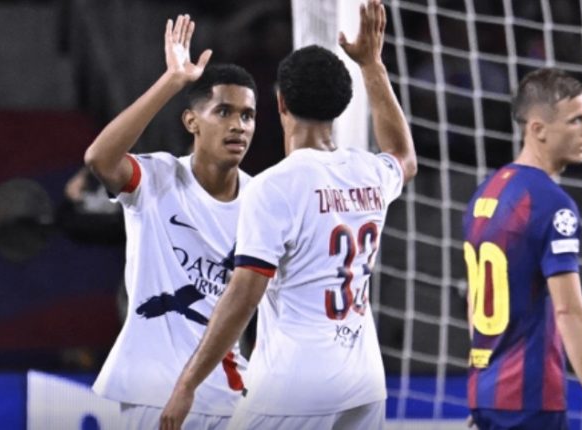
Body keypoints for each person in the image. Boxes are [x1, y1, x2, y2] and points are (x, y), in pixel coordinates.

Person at [160, 1, 417, 429]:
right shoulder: (370, 172)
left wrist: (187, 383)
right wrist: (372, 65)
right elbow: (404, 157)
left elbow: (244, 295)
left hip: (296, 386)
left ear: (280, 102)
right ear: (341, 106)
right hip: (364, 382)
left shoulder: (274, 187)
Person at [83, 14, 258, 429]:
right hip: (152, 394)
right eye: (224, 111)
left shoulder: (262, 201)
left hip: (231, 395)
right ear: (191, 121)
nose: (238, 125)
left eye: (248, 116)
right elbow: (99, 159)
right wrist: (173, 81)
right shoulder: (158, 178)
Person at [462, 67, 582, 430]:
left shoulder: (484, 193)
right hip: (530, 397)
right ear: (538, 129)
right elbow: (569, 310)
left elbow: (476, 300)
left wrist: (481, 390)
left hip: (486, 391)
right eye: (576, 120)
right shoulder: (551, 203)